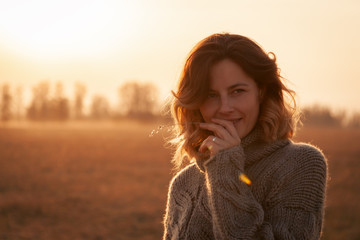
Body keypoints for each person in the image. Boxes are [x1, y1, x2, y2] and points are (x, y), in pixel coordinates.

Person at [162, 33, 327, 240]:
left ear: (261, 91)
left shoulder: (301, 163)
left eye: (237, 91)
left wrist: (226, 167)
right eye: (211, 95)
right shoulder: (183, 184)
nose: (225, 108)